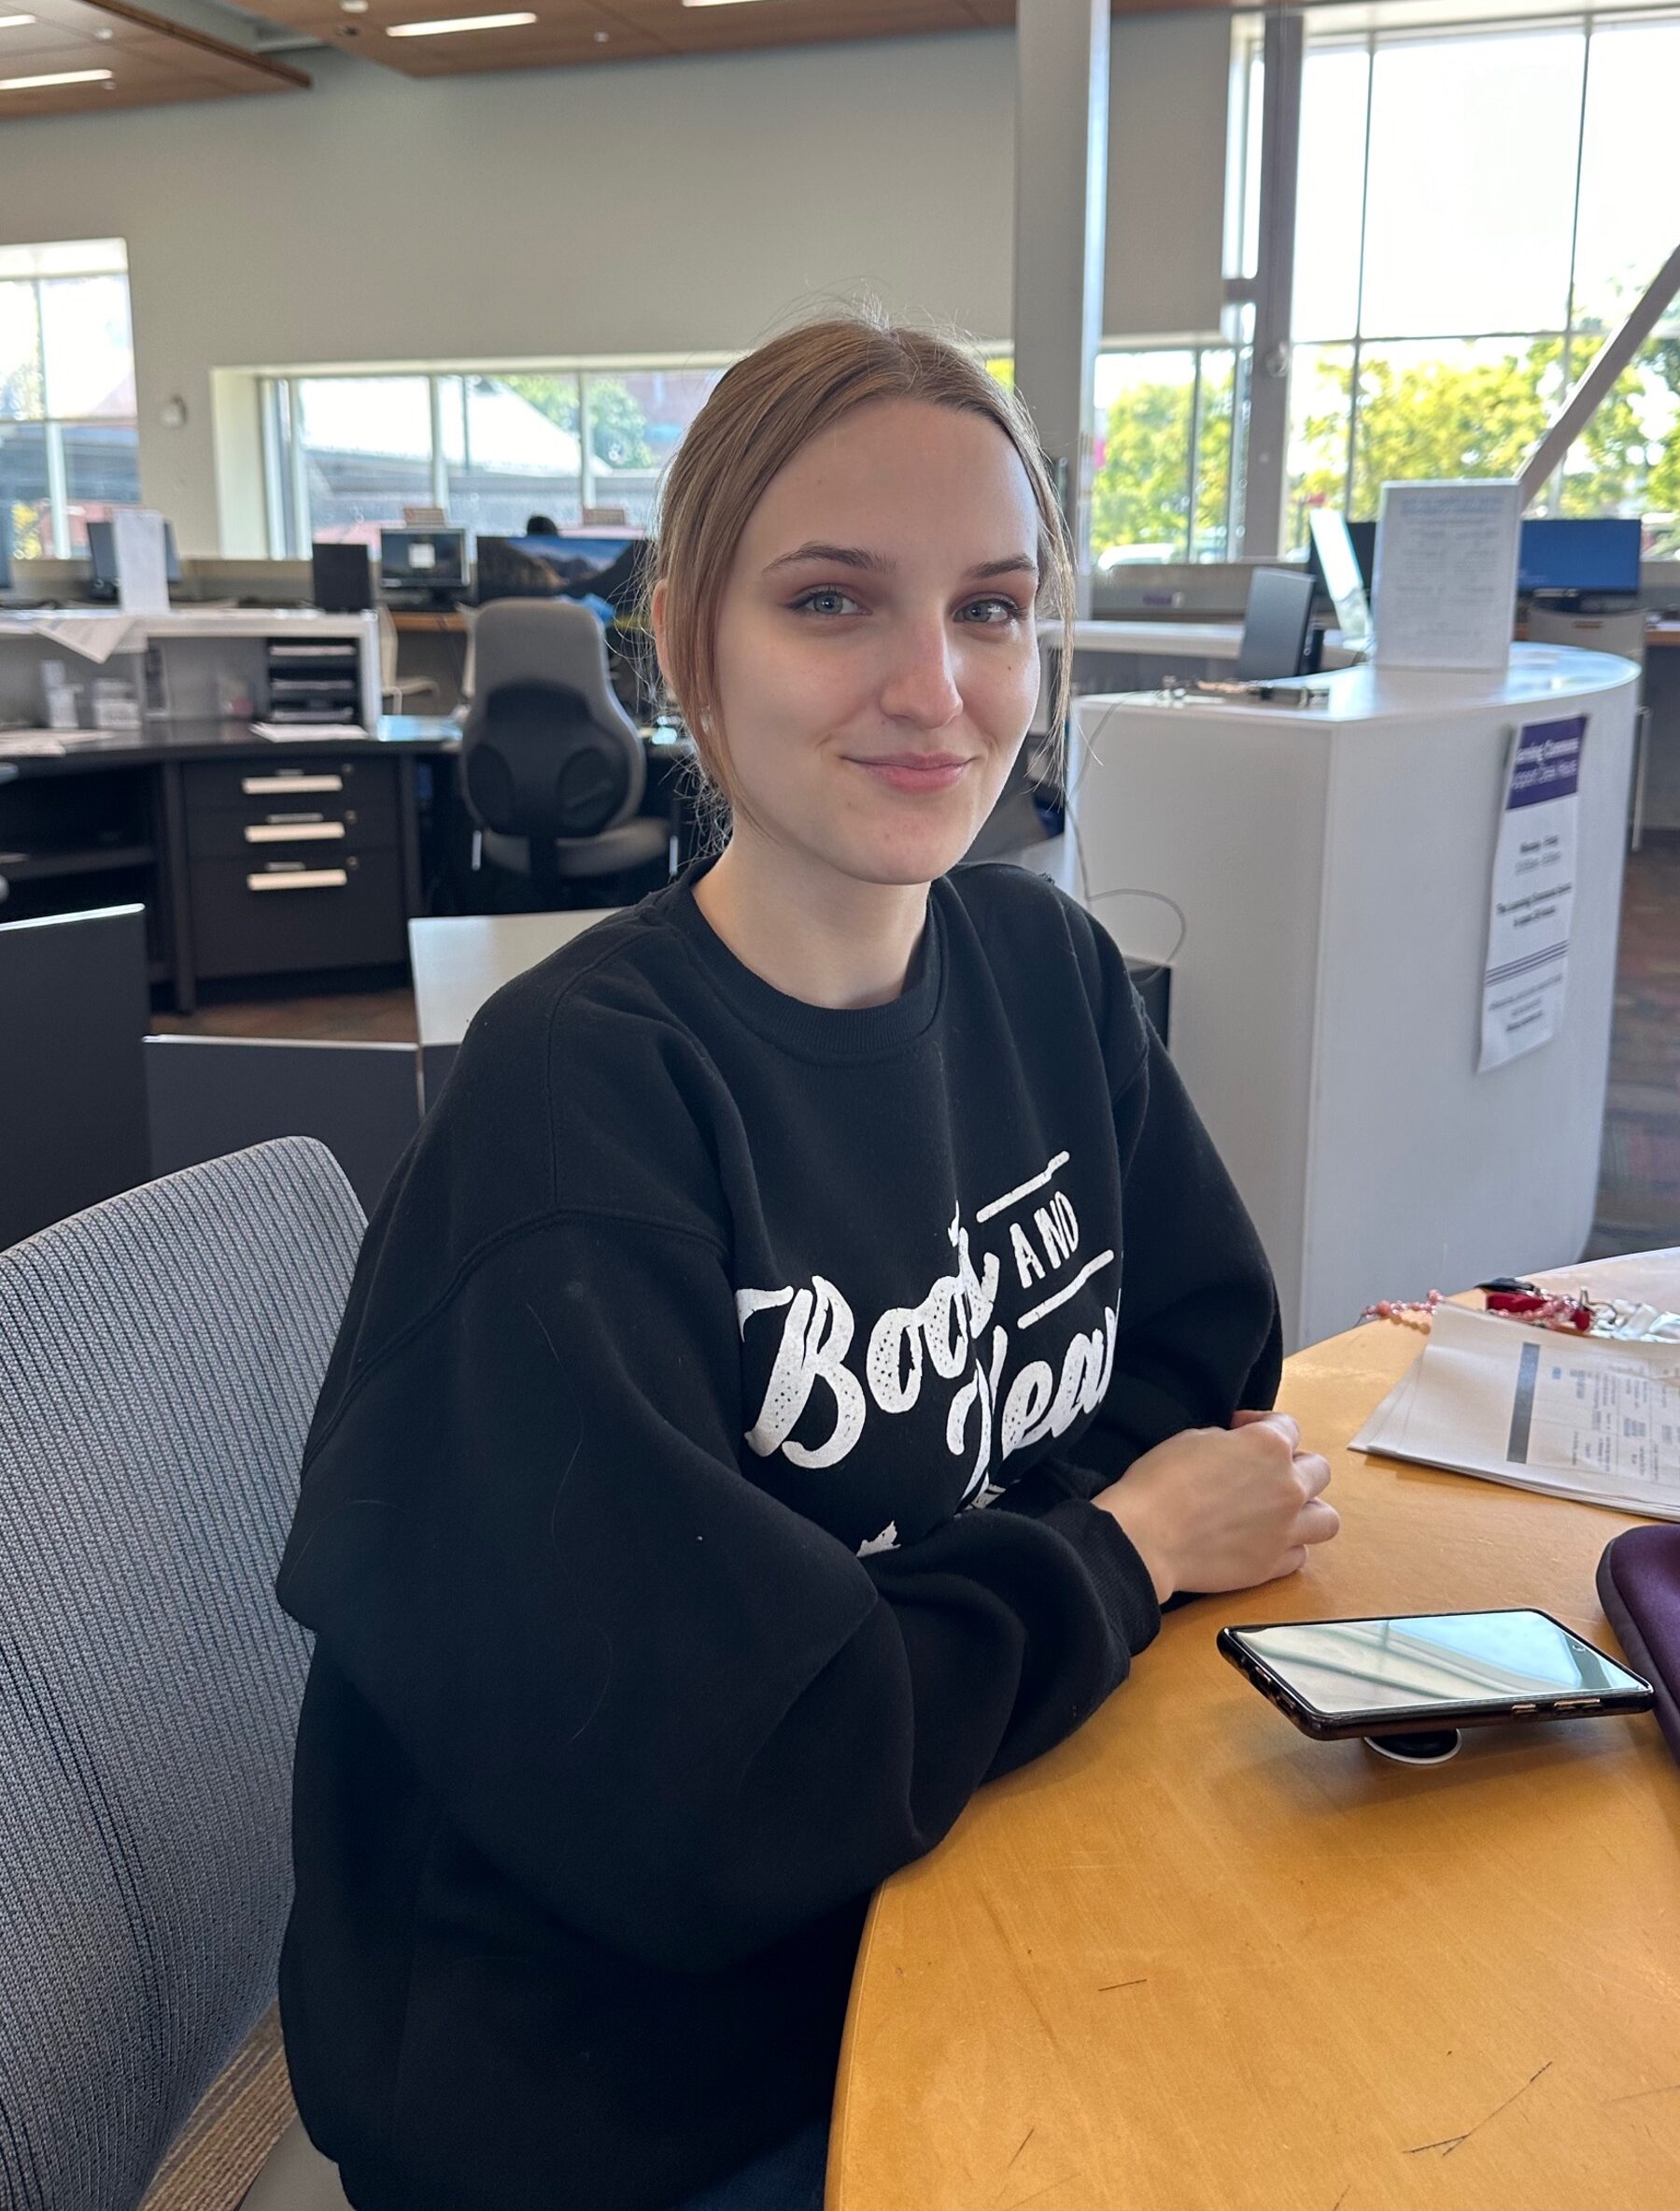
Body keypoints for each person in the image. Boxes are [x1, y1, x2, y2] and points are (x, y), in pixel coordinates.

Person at [276, 314, 1338, 2211]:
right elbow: (725, 1782)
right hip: (635, 2080)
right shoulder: (577, 1121)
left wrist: (948, 1650)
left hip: (950, 1843)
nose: (936, 686)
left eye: (994, 608)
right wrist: (1122, 1552)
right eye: (835, 600)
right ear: (690, 646)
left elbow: (1200, 1354)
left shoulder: (1047, 974)